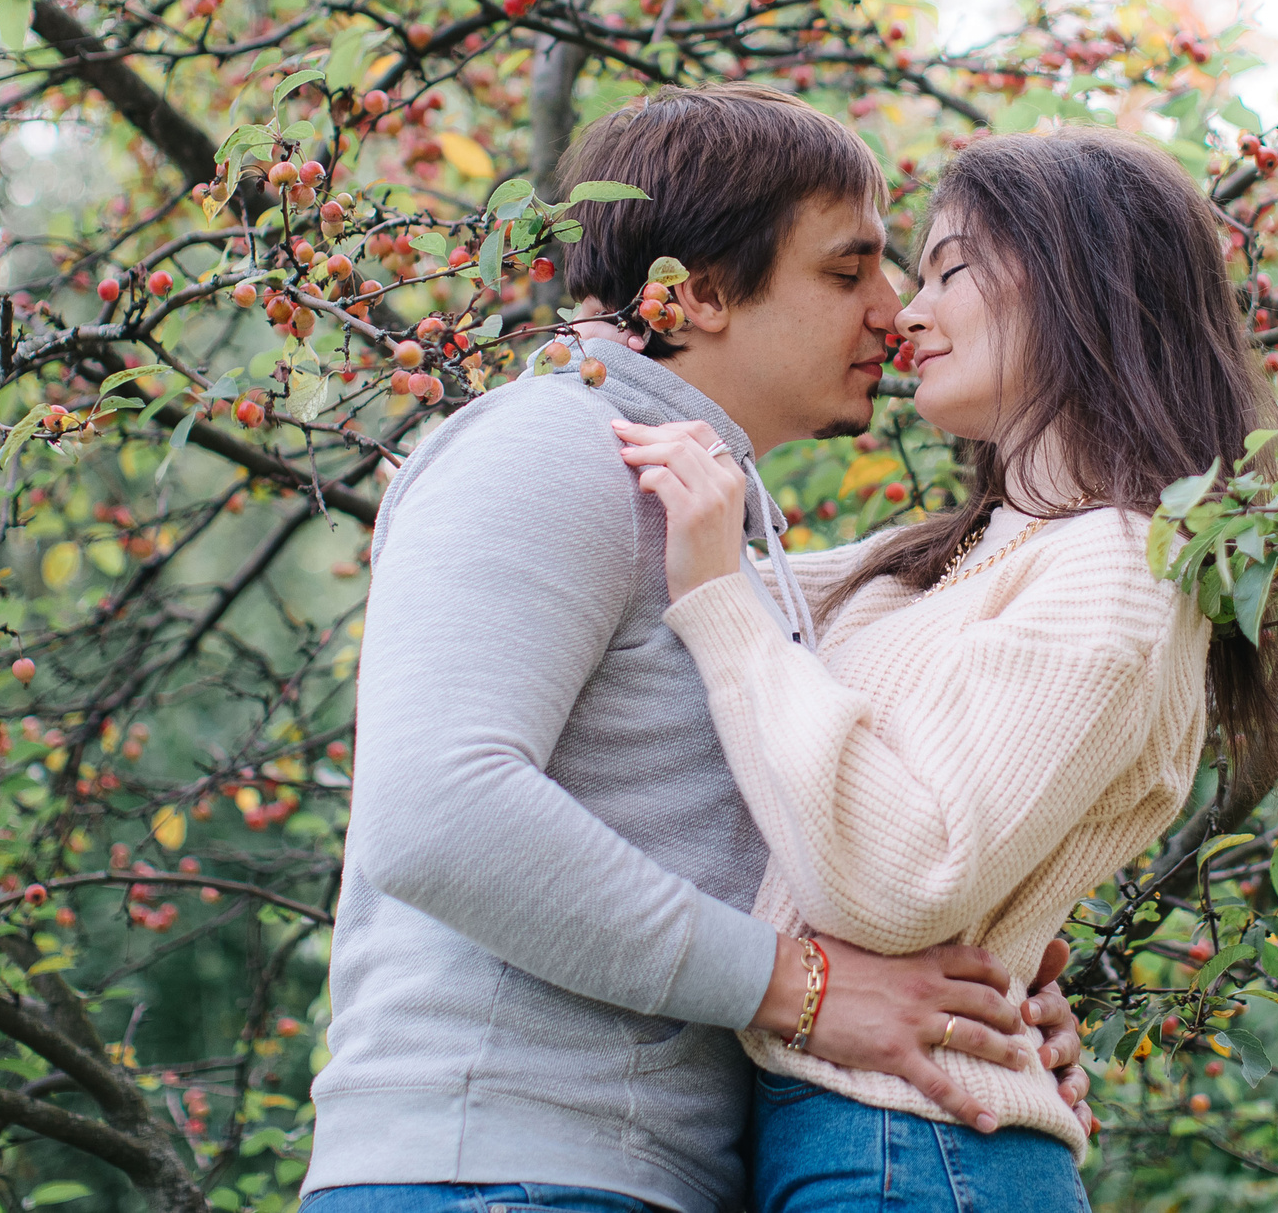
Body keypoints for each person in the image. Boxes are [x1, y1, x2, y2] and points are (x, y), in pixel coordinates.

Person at [300, 87, 1089, 1213]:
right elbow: (437, 814)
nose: (894, 310)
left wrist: (977, 998)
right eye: (847, 270)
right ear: (696, 293)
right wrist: (805, 987)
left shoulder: (701, 516)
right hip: (498, 1171)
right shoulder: (549, 445)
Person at [612, 128, 1278, 1213]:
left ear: (1083, 280)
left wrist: (720, 601)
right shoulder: (949, 556)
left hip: (916, 1147)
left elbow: (901, 885)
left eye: (949, 270)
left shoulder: (1116, 568)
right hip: (853, 1132)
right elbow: (669, 581)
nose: (906, 314)